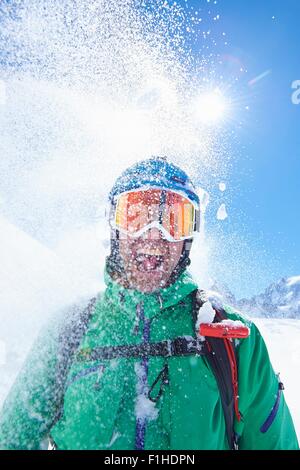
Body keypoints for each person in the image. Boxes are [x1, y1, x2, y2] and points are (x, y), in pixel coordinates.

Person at [0, 156, 298, 450]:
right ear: (114, 226)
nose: (154, 236)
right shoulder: (69, 331)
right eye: (135, 216)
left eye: (173, 220)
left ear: (188, 237)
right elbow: (12, 439)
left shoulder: (232, 339)